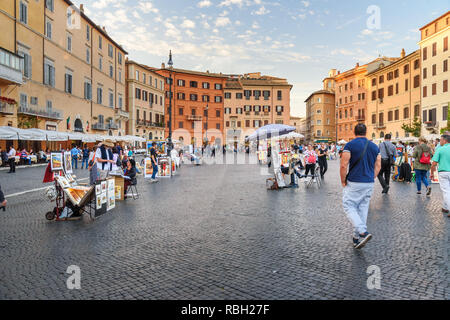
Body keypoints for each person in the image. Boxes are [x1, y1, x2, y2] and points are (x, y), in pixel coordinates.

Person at [340, 124, 381, 249]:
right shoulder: (374, 146)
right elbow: (378, 165)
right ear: (366, 132)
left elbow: (343, 165)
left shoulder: (350, 145)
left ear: (354, 132)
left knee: (349, 206)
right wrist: (372, 177)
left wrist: (343, 181)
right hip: (368, 182)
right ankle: (356, 238)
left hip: (355, 181)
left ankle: (363, 231)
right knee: (363, 208)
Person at [430, 134, 450, 217]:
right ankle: (445, 207)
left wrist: (432, 174)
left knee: (446, 191)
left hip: (443, 172)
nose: (440, 142)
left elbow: (434, 163)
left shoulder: (440, 149)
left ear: (445, 141)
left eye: (441, 140)